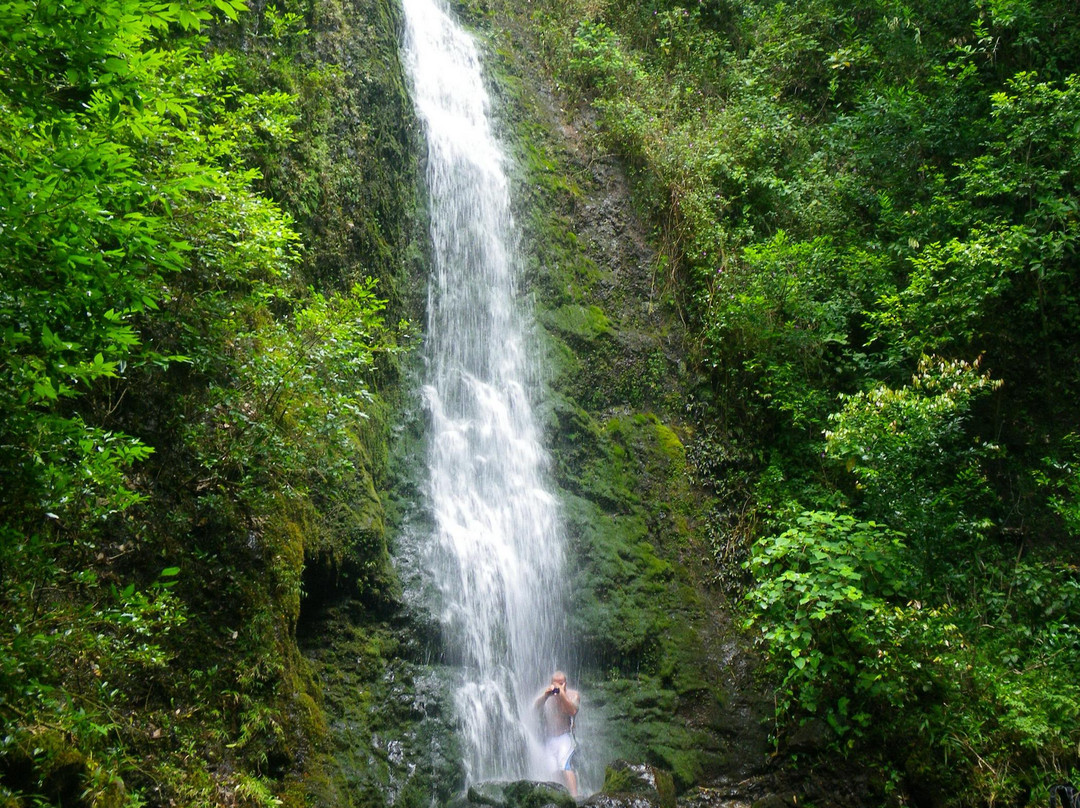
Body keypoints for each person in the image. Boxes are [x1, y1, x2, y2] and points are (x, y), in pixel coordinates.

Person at [534, 670, 580, 797]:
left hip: (565, 738)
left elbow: (572, 710)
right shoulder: (547, 695)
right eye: (556, 684)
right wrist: (545, 696)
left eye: (562, 683)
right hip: (550, 739)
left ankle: (575, 798)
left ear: (566, 683)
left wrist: (561, 693)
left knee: (565, 765)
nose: (559, 686)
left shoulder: (573, 695)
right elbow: (534, 710)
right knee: (552, 770)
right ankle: (558, 798)